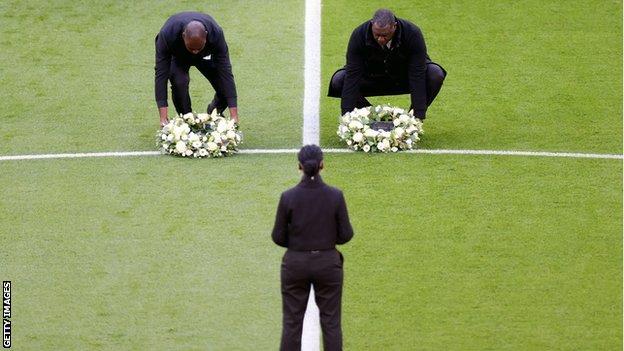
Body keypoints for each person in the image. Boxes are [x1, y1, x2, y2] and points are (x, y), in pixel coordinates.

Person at [272, 145, 354, 351]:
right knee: (331, 322)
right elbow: (346, 234)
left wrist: (299, 243)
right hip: (328, 263)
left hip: (295, 264)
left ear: (299, 166)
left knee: (292, 323)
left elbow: (278, 236)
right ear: (322, 165)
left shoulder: (288, 197)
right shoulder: (335, 196)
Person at [328, 8, 447, 120]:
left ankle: (409, 120)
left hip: (403, 77)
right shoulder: (358, 35)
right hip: (372, 77)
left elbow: (417, 74)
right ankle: (371, 118)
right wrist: (347, 117)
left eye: (385, 35)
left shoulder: (412, 33)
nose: (380, 39)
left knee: (435, 74)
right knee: (339, 81)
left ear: (394, 27)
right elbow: (352, 75)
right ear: (371, 24)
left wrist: (417, 116)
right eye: (377, 35)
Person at [155, 12, 239, 127]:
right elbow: (161, 74)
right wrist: (163, 118)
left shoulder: (216, 34)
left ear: (206, 35)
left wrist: (234, 117)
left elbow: (226, 72)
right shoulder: (167, 35)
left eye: (198, 48)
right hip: (178, 56)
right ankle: (186, 120)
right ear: (183, 35)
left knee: (224, 86)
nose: (195, 51)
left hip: (205, 56)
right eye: (192, 48)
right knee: (179, 82)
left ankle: (214, 111)